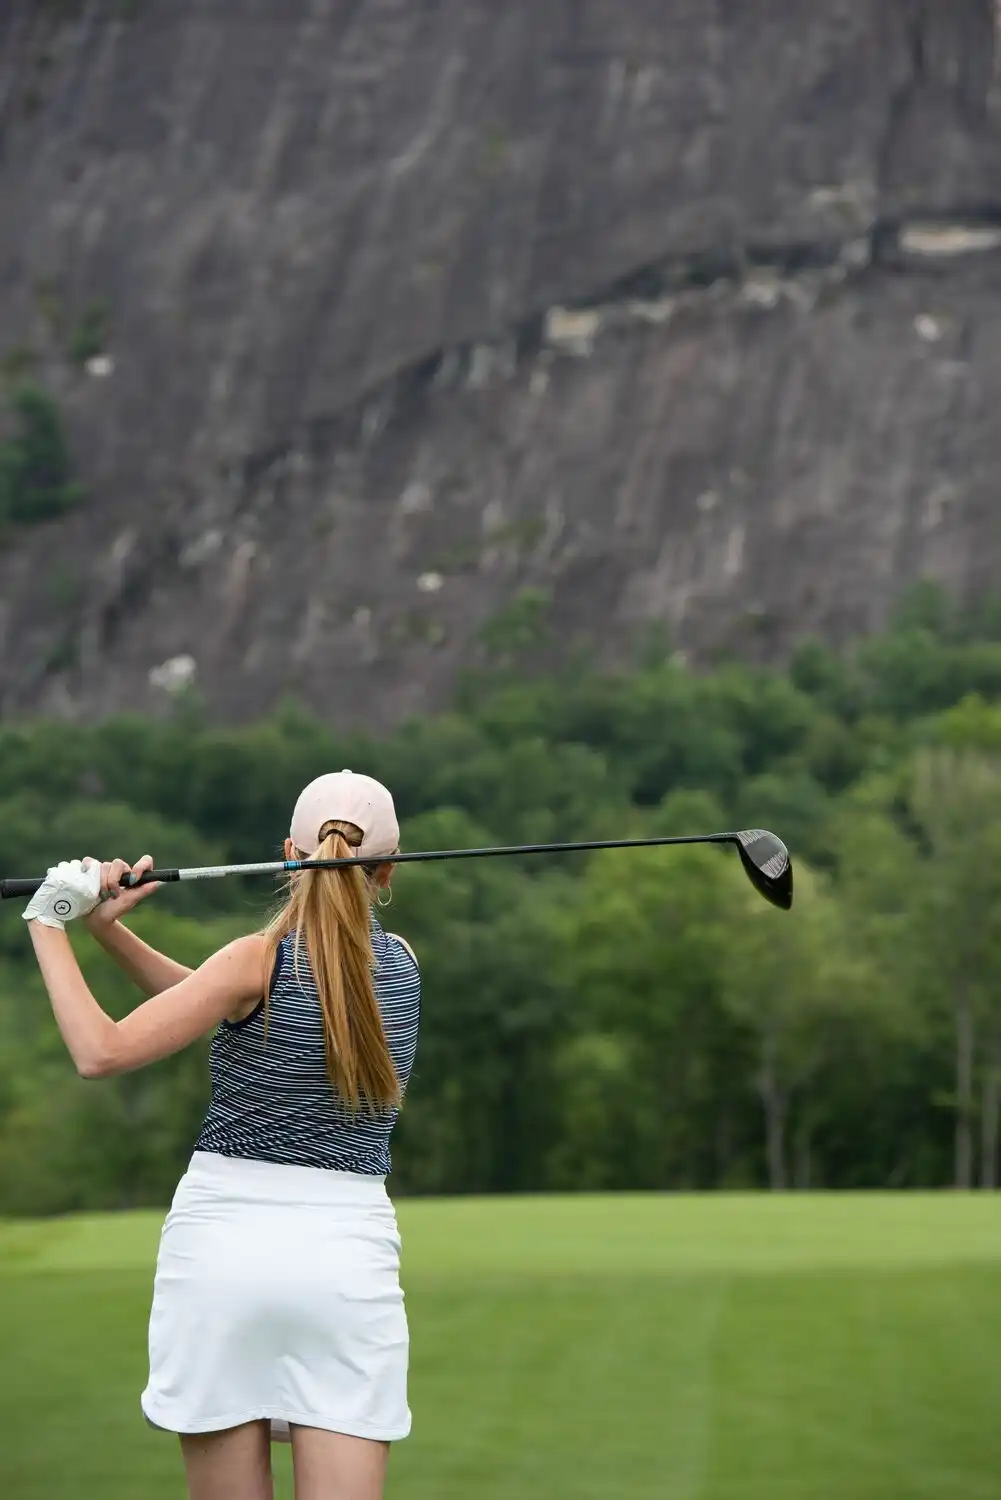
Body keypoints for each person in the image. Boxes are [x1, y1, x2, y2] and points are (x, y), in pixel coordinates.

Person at [21, 769, 421, 1500]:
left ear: (288, 853)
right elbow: (216, 998)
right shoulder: (400, 971)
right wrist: (111, 932)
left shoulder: (250, 961)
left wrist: (51, 921)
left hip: (222, 1253)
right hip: (345, 1262)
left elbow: (101, 1050)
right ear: (387, 870)